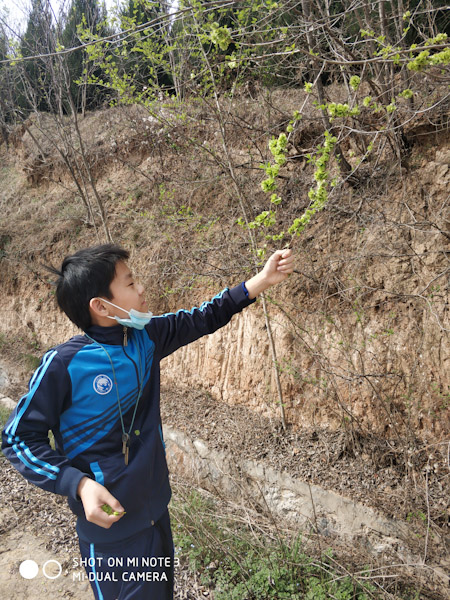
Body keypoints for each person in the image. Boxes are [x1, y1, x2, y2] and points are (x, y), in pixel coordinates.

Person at [2, 243, 294, 600]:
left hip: (157, 515)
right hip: (112, 533)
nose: (141, 289)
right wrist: (78, 485)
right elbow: (18, 439)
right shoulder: (64, 364)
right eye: (130, 282)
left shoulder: (145, 339)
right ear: (100, 306)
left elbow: (204, 316)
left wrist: (262, 280)